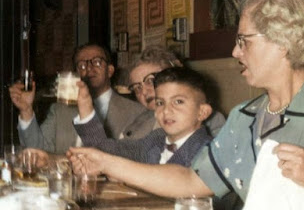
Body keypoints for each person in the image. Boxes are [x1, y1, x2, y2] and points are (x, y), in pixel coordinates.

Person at [68, 0, 304, 210]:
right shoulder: (245, 116)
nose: (235, 52)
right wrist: (104, 162)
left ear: (282, 41)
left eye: (244, 41)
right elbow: (191, 180)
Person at [9, 43, 154, 154]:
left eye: (97, 62)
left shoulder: (137, 112)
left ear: (110, 70)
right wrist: (26, 110)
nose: (89, 68)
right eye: (82, 65)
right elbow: (37, 152)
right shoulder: (60, 111)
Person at [73, 67, 213, 166]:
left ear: (202, 112)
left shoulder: (209, 152)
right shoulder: (156, 139)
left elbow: (171, 181)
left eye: (178, 102)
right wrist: (86, 106)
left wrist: (116, 169)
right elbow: (108, 150)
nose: (166, 110)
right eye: (160, 103)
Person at [128, 45, 226, 137]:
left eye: (150, 81)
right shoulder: (139, 122)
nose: (144, 92)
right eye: (137, 88)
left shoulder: (211, 122)